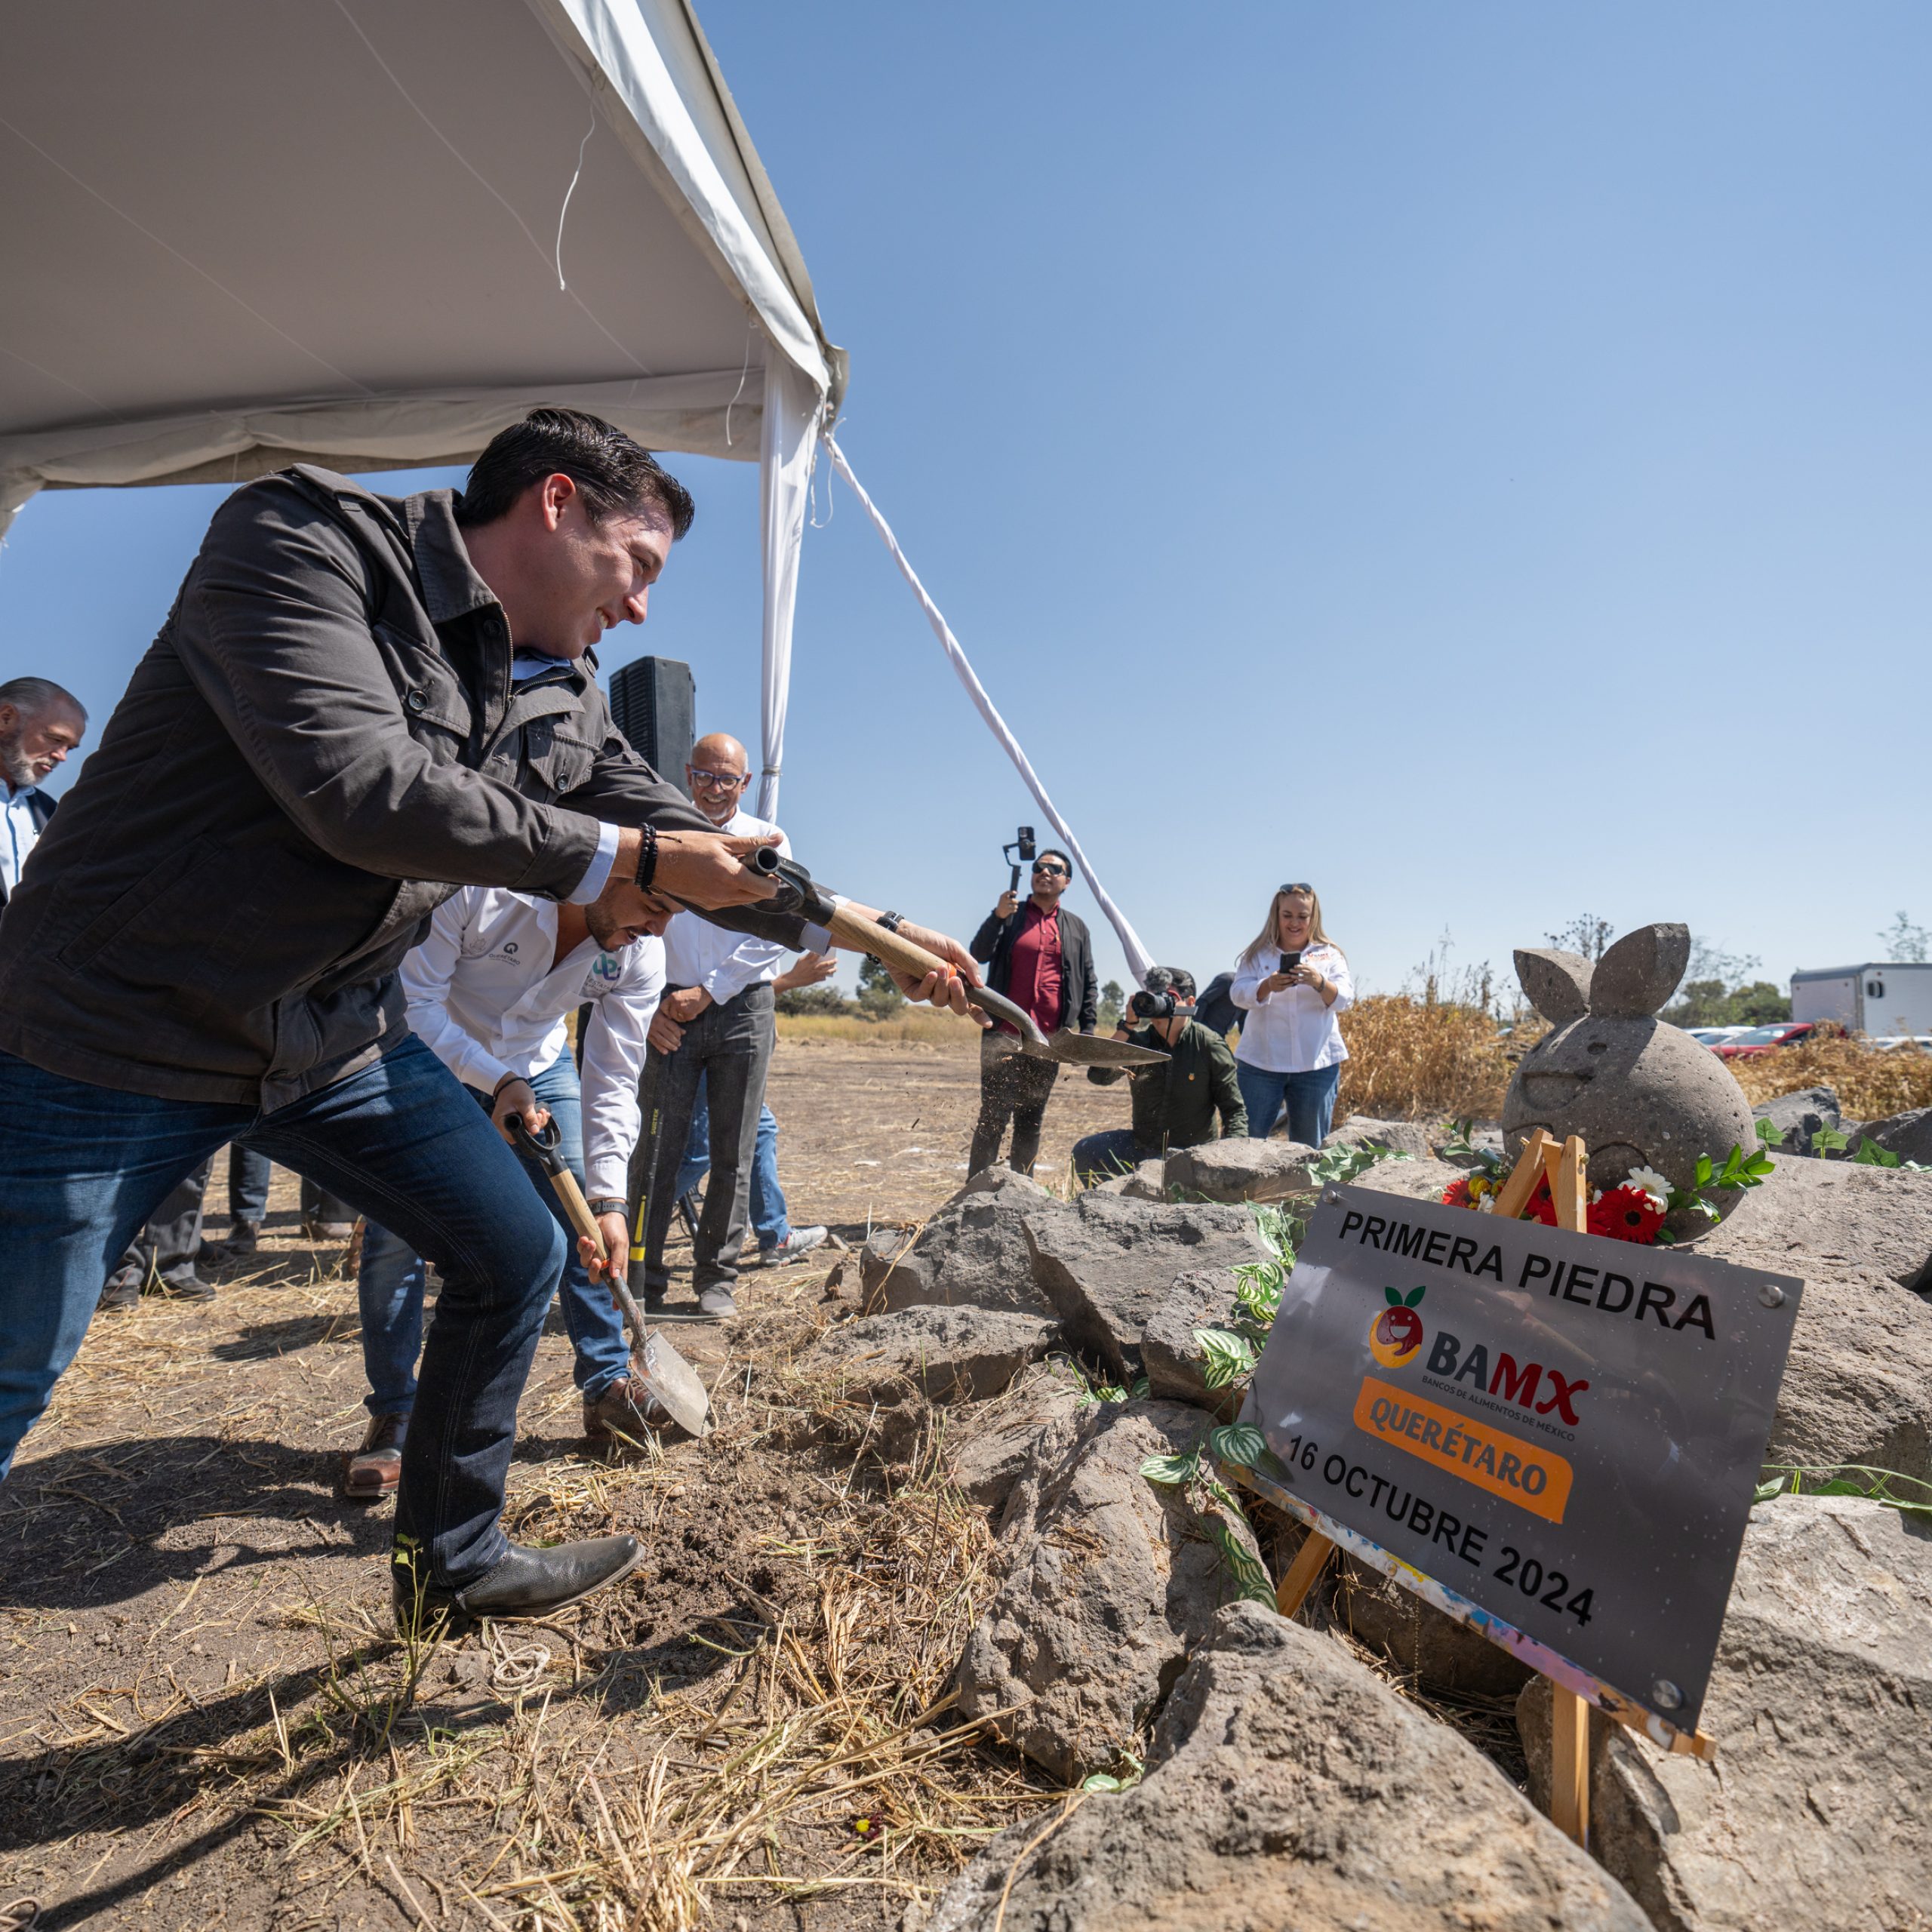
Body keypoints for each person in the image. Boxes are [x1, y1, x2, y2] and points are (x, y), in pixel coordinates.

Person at [0, 406, 979, 1635]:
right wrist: (635, 852)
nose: (638, 613)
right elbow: (359, 793)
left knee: (515, 1251)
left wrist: (867, 923)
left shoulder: (561, 690)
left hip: (323, 1040)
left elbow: (694, 841)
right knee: (17, 1358)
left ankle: (451, 1561)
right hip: (113, 1023)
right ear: (555, 504)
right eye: (640, 568)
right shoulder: (301, 544)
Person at [343, 879, 678, 1500]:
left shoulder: (640, 948)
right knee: (395, 1238)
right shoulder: (481, 888)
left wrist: (609, 1200)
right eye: (654, 907)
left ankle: (606, 1384)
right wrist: (494, 1082)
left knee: (580, 1222)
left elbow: (613, 1074)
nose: (659, 930)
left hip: (539, 1064)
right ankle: (396, 1414)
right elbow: (413, 1003)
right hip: (421, 1054)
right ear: (611, 872)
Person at [632, 733, 805, 1320]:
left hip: (741, 1008)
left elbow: (773, 934)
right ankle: (643, 1279)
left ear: (745, 784)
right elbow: (637, 920)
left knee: (733, 1149)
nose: (713, 788)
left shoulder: (770, 843)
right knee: (656, 1148)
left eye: (726, 779)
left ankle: (716, 1280)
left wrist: (708, 992)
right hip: (668, 1010)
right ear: (687, 774)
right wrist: (656, 1003)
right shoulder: (663, 836)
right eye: (704, 776)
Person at [671, 951, 836, 1266]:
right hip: (712, 1041)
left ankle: (775, 1235)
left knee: (760, 1130)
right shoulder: (725, 924)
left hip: (729, 1036)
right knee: (698, 1152)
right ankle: (622, 1228)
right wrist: (789, 981)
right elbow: (721, 992)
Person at [967, 848, 1098, 1176]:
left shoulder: (1077, 928)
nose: (1046, 872)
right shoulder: (1010, 915)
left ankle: (1021, 1191)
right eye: (1040, 867)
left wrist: (1088, 1031)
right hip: (1004, 1036)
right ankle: (973, 1194)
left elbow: (1089, 980)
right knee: (994, 1116)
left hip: (1049, 1040)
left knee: (1031, 1118)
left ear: (1066, 882)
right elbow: (977, 954)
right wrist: (997, 916)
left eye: (1055, 869)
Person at [1072, 968, 1247, 1182]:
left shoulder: (1208, 1045)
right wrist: (1127, 1027)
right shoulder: (1139, 1044)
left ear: (1190, 1003)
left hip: (1193, 1156)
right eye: (1153, 998)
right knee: (1086, 1151)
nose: (1159, 1007)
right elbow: (1098, 1076)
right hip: (1144, 1149)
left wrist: (1229, 1162)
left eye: (1168, 998)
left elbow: (1235, 1111)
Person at [1229, 883, 1353, 1149]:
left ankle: (1303, 1192)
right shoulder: (1257, 953)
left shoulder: (1330, 955)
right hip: (1260, 1064)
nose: (1294, 923)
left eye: (1302, 916)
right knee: (1246, 1144)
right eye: (1287, 915)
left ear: (1313, 917)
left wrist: (1319, 982)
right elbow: (1237, 994)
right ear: (1276, 915)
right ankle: (1246, 1191)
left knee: (1309, 1148)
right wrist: (1267, 985)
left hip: (1316, 1065)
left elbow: (1345, 1000)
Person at [0, 676, 87, 908]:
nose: (62, 756)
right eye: (55, 738)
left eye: (69, 747)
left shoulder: (50, 812)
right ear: (6, 718)